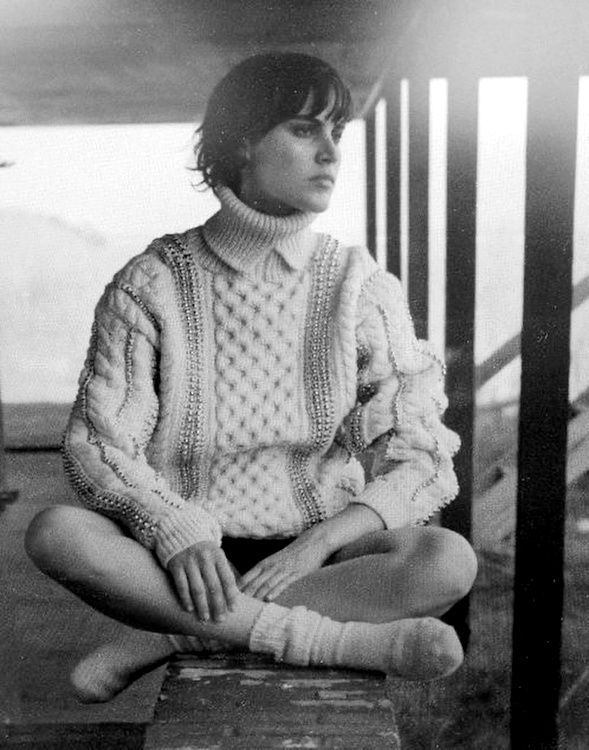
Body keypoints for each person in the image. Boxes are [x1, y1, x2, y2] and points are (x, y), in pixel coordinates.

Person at [25, 52, 477, 704]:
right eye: (303, 129)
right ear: (241, 141)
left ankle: (178, 636)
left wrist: (319, 542)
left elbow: (422, 455)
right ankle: (332, 641)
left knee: (446, 559)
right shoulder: (152, 282)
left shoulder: (359, 286)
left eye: (336, 132)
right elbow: (99, 446)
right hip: (180, 558)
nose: (330, 152)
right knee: (57, 534)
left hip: (317, 558)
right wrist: (175, 531)